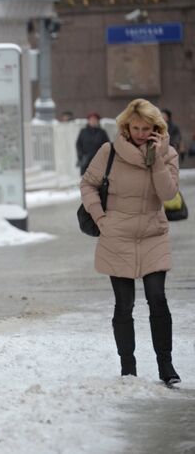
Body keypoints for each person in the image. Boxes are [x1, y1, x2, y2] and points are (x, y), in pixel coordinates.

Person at [79, 98, 180, 384]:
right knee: (124, 305)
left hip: (153, 235)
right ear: (126, 126)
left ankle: (166, 365)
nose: (139, 133)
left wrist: (157, 157)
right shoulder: (108, 152)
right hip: (117, 237)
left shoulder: (168, 153)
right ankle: (128, 367)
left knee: (157, 299)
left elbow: (168, 193)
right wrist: (100, 219)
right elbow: (88, 184)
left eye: (145, 128)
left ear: (156, 128)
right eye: (134, 127)